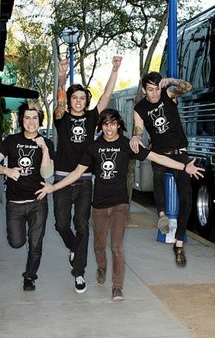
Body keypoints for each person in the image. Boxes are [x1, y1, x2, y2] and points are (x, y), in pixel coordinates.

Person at [36, 108, 204, 301]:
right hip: (99, 204)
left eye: (113, 124)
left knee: (116, 247)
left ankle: (117, 287)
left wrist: (184, 166)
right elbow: (75, 173)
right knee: (99, 246)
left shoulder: (127, 145)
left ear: (118, 125)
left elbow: (156, 157)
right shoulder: (93, 147)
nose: (109, 128)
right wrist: (53, 188)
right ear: (101, 126)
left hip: (119, 204)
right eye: (106, 124)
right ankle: (102, 267)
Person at [53, 56, 122, 294]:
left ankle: (79, 273)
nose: (79, 101)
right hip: (62, 177)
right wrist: (61, 76)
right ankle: (75, 248)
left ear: (85, 101)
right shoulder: (61, 118)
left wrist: (115, 70)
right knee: (61, 224)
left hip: (84, 181)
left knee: (81, 224)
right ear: (70, 100)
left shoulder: (93, 118)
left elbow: (106, 96)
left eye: (83, 98)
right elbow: (59, 98)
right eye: (75, 97)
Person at [0, 100, 55, 291]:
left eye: (35, 118)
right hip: (15, 203)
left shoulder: (46, 143)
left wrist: (45, 150)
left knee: (36, 244)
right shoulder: (11, 141)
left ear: (40, 121)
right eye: (27, 118)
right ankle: (21, 237)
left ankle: (30, 277)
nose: (31, 122)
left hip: (38, 201)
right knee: (16, 242)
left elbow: (47, 174)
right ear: (22, 120)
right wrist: (6, 171)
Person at [129, 71, 194, 267]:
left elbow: (188, 87)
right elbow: (138, 130)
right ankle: (162, 215)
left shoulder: (169, 94)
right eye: (151, 89)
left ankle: (179, 242)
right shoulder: (140, 108)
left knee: (186, 198)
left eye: (157, 88)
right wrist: (136, 137)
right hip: (159, 153)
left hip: (179, 151)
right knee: (157, 174)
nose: (155, 93)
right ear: (144, 90)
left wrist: (172, 81)